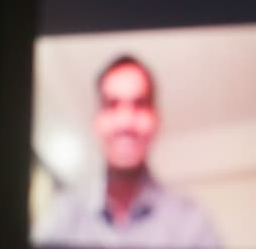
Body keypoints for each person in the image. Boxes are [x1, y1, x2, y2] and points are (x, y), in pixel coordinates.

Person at [32, 55, 221, 248]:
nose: (125, 122)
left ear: (156, 119)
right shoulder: (60, 214)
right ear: (97, 121)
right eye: (111, 104)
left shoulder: (192, 222)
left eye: (139, 104)